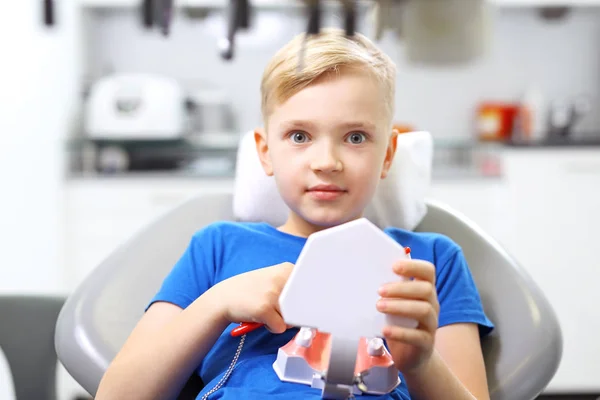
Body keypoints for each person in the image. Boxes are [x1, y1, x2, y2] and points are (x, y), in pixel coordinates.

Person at [96, 28, 494, 400]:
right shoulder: (217, 249)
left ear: (387, 154)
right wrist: (218, 303)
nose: (326, 161)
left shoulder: (430, 262)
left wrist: (422, 363)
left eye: (355, 137)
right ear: (265, 151)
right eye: (299, 136)